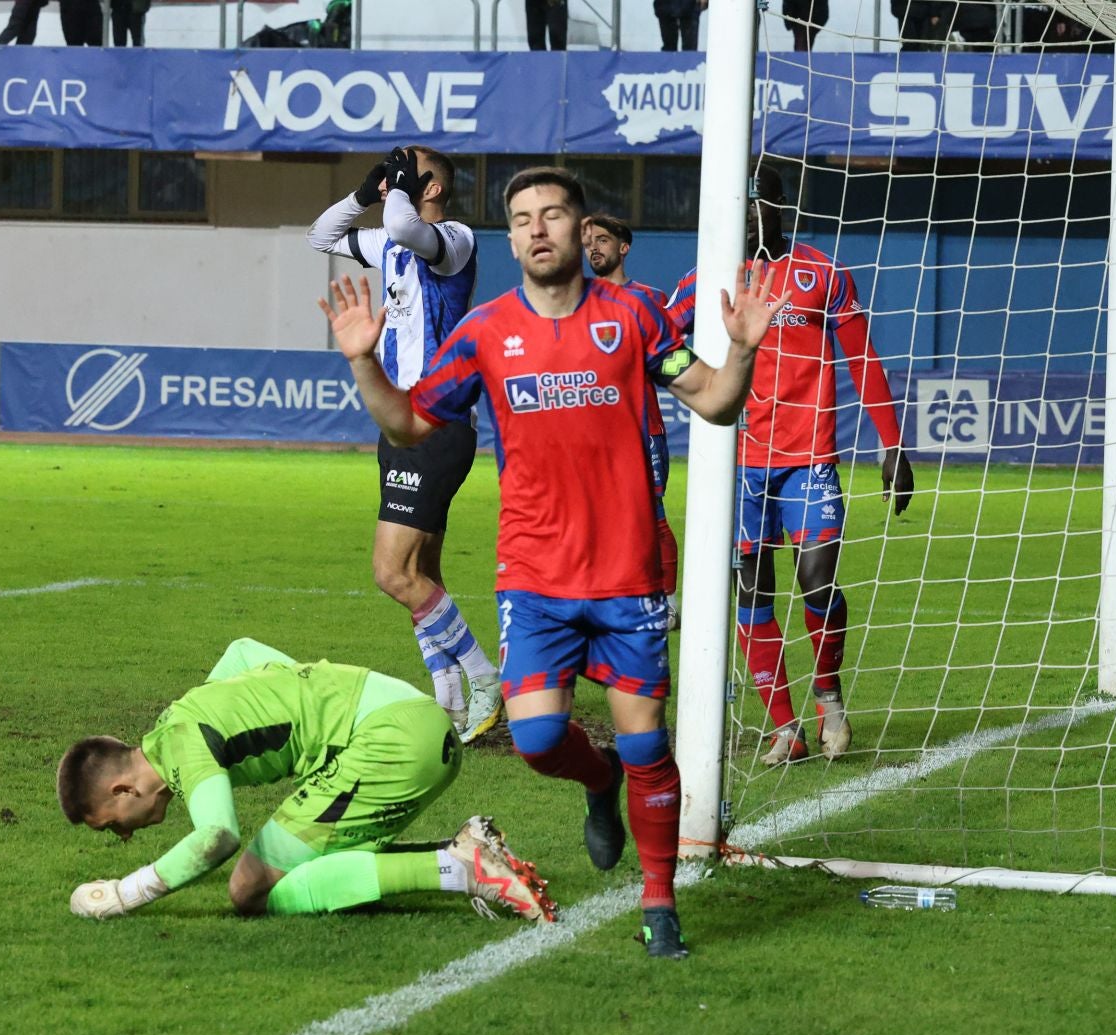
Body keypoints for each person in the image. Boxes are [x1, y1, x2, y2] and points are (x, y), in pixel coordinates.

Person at [322, 166, 784, 959]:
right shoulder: (484, 334)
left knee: (648, 746)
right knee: (538, 741)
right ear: (512, 238)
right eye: (524, 218)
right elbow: (406, 426)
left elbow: (714, 401)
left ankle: (660, 901)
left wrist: (740, 349)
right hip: (534, 578)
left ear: (580, 230)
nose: (539, 229)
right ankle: (596, 781)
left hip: (629, 573)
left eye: (555, 215)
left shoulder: (633, 316)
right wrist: (366, 361)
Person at [667, 165, 915, 765]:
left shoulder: (821, 273)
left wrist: (893, 443)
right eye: (743, 202)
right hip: (738, 463)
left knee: (817, 577)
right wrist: (690, 384)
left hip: (809, 458)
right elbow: (655, 341)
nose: (752, 212)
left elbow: (862, 357)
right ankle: (784, 726)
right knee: (751, 586)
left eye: (762, 201)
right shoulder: (707, 279)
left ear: (783, 204)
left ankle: (827, 693)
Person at [56, 637, 555, 923]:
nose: (123, 835)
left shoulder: (183, 745)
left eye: (110, 824)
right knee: (302, 860)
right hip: (410, 721)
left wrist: (129, 892)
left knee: (249, 889)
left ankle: (459, 868)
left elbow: (217, 835)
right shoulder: (184, 716)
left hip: (390, 742)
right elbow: (243, 650)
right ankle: (464, 847)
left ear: (123, 790)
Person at [307, 147, 502, 745]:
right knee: (422, 572)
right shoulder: (392, 239)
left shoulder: (454, 239)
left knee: (391, 573)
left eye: (408, 171)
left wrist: (394, 192)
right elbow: (323, 235)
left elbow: (402, 224)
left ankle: (484, 681)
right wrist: (366, 191)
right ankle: (446, 702)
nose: (397, 180)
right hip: (400, 422)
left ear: (434, 185)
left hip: (436, 421)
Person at [584, 212, 679, 627]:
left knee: (650, 513)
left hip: (641, 427)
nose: (593, 248)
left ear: (624, 248)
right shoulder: (575, 299)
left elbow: (670, 360)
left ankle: (671, 600)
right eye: (588, 241)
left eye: (603, 240)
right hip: (588, 429)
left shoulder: (652, 299)